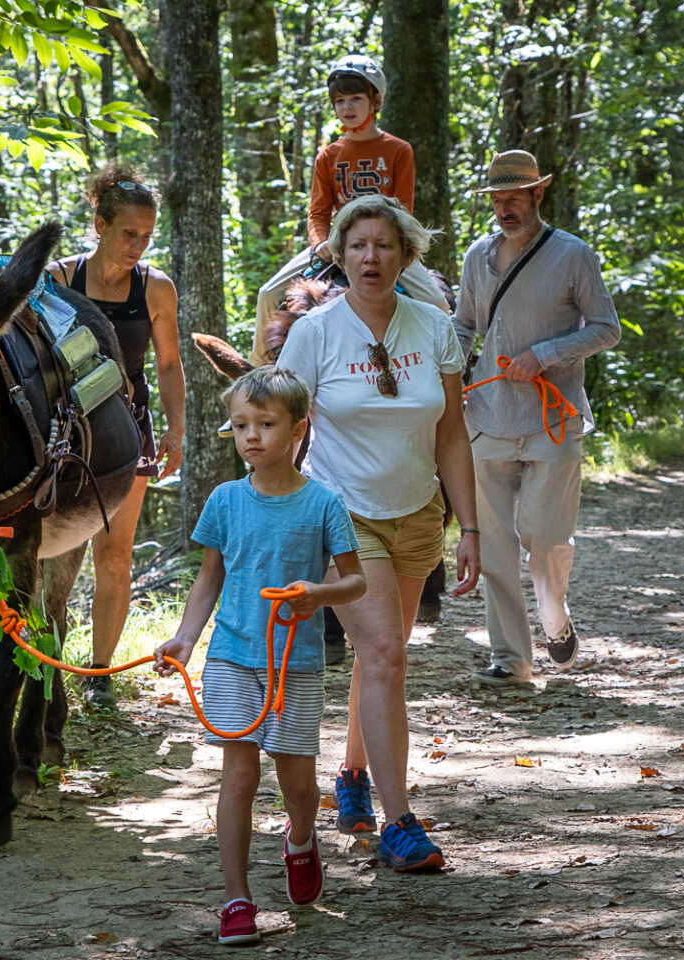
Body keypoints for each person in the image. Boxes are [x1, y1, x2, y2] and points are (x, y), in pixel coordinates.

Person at [275, 194, 481, 872]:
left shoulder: (433, 328)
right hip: (345, 516)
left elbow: (450, 432)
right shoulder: (316, 334)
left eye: (384, 246)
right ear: (337, 253)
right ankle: (400, 823)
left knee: (378, 655)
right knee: (388, 653)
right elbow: (284, 429)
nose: (371, 257)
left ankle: (353, 775)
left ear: (405, 255)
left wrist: (469, 525)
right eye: (358, 245)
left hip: (419, 512)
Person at [153, 366, 366, 945]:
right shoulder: (224, 500)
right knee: (239, 773)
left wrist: (317, 594)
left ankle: (300, 839)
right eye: (242, 424)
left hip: (295, 664)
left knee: (298, 784)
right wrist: (185, 639)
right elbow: (208, 580)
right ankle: (236, 899)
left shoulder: (324, 504)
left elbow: (356, 584)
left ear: (299, 430)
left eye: (266, 424)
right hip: (231, 655)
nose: (252, 436)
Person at [452, 150, 621, 687]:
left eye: (514, 199)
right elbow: (462, 326)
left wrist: (545, 354)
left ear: (537, 196)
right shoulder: (478, 256)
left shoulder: (573, 255)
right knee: (495, 545)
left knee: (545, 539)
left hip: (554, 418)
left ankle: (555, 617)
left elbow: (605, 328)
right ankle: (510, 659)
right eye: (497, 200)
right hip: (486, 417)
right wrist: (450, 373)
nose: (505, 209)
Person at [47, 165, 185, 710]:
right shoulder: (58, 280)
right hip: (62, 431)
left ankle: (99, 673)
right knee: (43, 555)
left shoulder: (155, 287)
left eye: (147, 236)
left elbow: (170, 364)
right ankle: (42, 666)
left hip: (129, 430)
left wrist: (176, 429)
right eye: (129, 233)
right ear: (100, 224)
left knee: (115, 554)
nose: (138, 245)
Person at [250, 54, 451, 365]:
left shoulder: (399, 150)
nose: (347, 108)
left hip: (387, 240)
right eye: (340, 100)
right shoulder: (328, 156)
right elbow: (318, 213)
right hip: (337, 241)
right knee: (267, 293)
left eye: (356, 98)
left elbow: (404, 209)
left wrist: (391, 244)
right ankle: (261, 374)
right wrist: (321, 244)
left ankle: (453, 371)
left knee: (438, 303)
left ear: (376, 100)